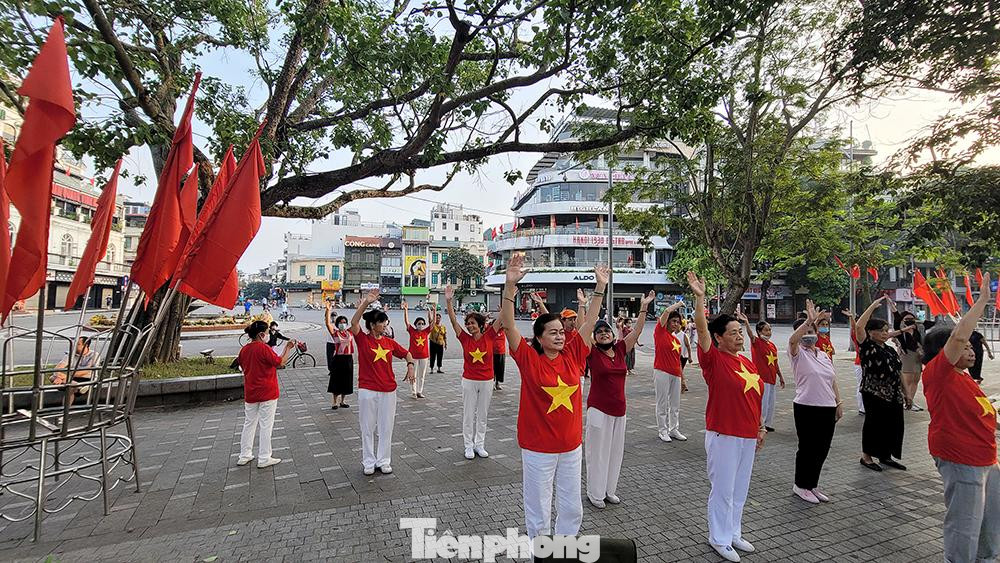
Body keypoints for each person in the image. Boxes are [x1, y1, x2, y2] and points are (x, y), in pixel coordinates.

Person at [500, 256, 606, 540]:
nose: (560, 336)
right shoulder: (528, 358)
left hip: (571, 446)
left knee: (571, 506)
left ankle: (565, 548)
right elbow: (509, 326)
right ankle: (541, 550)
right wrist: (510, 285)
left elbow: (590, 322)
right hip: (537, 448)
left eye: (561, 332)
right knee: (539, 506)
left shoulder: (573, 355)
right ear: (539, 337)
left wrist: (600, 288)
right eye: (553, 332)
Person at [687, 271, 766, 563]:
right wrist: (699, 298)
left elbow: (754, 397)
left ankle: (733, 532)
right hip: (723, 433)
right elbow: (702, 330)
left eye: (739, 332)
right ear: (719, 338)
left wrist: (760, 427)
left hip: (747, 434)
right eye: (732, 332)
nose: (738, 336)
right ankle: (718, 538)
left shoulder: (745, 360)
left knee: (740, 488)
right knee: (723, 489)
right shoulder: (713, 359)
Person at [920, 273, 998, 563]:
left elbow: (984, 413)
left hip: (986, 457)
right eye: (965, 347)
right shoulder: (937, 374)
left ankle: (986, 559)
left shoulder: (964, 379)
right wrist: (982, 301)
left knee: (990, 520)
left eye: (971, 347)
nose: (971, 350)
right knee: (965, 523)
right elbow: (959, 334)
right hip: (961, 457)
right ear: (945, 352)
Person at [586, 290, 655, 509]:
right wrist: (585, 307)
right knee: (598, 453)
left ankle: (609, 490)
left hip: (620, 410)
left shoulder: (620, 348)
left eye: (607, 330)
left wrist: (643, 306)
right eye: (600, 332)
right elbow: (584, 328)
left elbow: (637, 331)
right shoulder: (592, 353)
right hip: (598, 410)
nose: (604, 334)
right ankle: (594, 493)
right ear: (594, 337)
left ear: (613, 335)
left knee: (615, 453)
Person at [350, 289, 415, 475]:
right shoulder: (362, 339)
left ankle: (384, 460)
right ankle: (369, 462)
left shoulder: (389, 342)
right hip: (368, 390)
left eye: (385, 322)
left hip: (388, 390)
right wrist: (366, 303)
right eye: (382, 322)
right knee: (368, 428)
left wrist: (410, 365)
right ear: (372, 325)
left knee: (386, 427)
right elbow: (354, 323)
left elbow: (406, 353)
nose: (385, 325)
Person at [787, 300, 843, 504]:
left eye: (813, 329)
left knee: (822, 448)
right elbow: (793, 341)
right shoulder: (797, 353)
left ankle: (813, 484)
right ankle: (800, 485)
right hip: (806, 407)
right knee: (808, 448)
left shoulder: (823, 355)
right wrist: (808, 321)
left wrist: (839, 403)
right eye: (806, 330)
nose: (810, 333)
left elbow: (832, 379)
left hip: (827, 407)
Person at [446, 285, 503, 459]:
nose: (470, 326)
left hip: (486, 380)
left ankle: (480, 444)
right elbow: (454, 322)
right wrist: (448, 301)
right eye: (468, 324)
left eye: (472, 323)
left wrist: (508, 296)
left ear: (480, 325)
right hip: (469, 380)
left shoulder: (490, 336)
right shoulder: (465, 339)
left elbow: (502, 318)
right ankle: (468, 446)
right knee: (469, 414)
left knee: (483, 415)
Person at [855, 296, 911, 472]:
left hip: (893, 392)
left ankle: (885, 455)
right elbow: (858, 326)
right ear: (871, 332)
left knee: (893, 424)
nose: (885, 333)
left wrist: (907, 393)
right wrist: (873, 306)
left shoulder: (889, 349)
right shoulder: (867, 346)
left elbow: (899, 371)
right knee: (874, 423)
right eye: (881, 330)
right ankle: (867, 457)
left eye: (887, 330)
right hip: (873, 392)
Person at [237, 321, 296, 468]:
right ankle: (264, 457)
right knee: (265, 425)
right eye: (268, 333)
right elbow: (281, 362)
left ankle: (244, 455)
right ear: (262, 334)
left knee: (249, 423)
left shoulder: (244, 350)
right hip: (267, 392)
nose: (269, 335)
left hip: (251, 392)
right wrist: (288, 348)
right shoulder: (264, 348)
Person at [652, 300, 689, 442]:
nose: (676, 324)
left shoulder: (677, 340)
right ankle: (662, 430)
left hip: (676, 374)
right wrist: (679, 304)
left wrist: (683, 378)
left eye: (678, 322)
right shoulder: (659, 332)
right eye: (673, 321)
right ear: (667, 322)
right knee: (662, 403)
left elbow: (678, 361)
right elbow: (666, 312)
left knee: (675, 404)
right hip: (661, 372)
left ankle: (674, 429)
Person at [745, 316, 785, 433]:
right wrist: (747, 322)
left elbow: (775, 363)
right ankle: (759, 424)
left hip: (771, 378)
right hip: (761, 378)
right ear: (759, 331)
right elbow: (750, 335)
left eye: (769, 330)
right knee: (763, 402)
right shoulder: (757, 343)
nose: (768, 332)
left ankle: (767, 423)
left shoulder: (772, 345)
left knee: (771, 402)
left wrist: (780, 376)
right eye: (766, 330)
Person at [892, 306, 935, 411]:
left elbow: (932, 323)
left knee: (915, 379)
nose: (910, 321)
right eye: (907, 319)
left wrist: (917, 321)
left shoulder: (919, 327)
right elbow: (896, 320)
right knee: (907, 380)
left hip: (918, 356)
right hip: (906, 355)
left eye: (912, 319)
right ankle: (904, 401)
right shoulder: (901, 328)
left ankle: (911, 400)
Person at [50, 337, 98, 407]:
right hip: (72, 378)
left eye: (78, 344)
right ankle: (78, 387)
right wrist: (58, 376)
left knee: (70, 387)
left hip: (87, 378)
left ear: (86, 345)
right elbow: (58, 367)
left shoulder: (94, 355)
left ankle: (64, 411)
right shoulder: (71, 354)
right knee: (52, 377)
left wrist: (66, 376)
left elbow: (86, 371)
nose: (74, 346)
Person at [324, 304, 354, 409]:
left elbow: (356, 322)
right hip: (338, 359)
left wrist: (361, 307)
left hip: (348, 359)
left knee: (347, 380)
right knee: (336, 380)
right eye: (341, 323)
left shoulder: (350, 332)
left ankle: (343, 401)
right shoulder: (335, 333)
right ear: (337, 324)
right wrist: (328, 311)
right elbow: (328, 323)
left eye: (344, 322)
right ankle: (334, 402)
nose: (343, 324)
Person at [403, 300, 432, 398]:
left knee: (422, 375)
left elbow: (432, 324)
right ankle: (413, 392)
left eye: (423, 323)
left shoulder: (426, 332)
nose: (421, 325)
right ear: (415, 325)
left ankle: (420, 391)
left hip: (424, 356)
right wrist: (406, 310)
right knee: (413, 375)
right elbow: (406, 322)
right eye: (419, 323)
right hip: (413, 356)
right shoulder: (412, 331)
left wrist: (432, 312)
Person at [843, 308, 865, 414]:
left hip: (871, 364)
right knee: (861, 385)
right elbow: (855, 328)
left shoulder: (872, 335)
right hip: (860, 364)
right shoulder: (857, 336)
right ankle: (862, 408)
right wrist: (852, 318)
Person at [493, 323, 507, 391]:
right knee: (493, 369)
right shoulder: (492, 331)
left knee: (500, 369)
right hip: (492, 353)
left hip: (501, 352)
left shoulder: (503, 331)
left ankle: (497, 383)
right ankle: (492, 383)